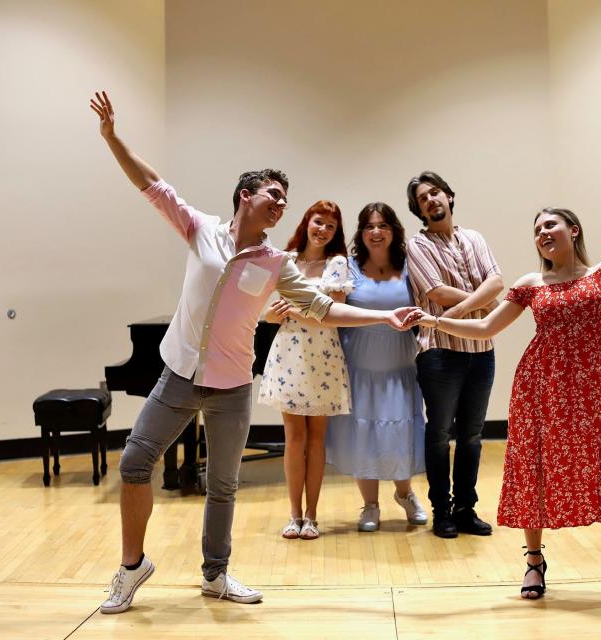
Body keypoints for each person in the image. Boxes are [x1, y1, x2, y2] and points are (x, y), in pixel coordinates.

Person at [89, 91, 419, 612]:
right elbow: (152, 185)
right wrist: (112, 138)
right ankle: (132, 568)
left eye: (286, 197)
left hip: (232, 385)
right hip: (177, 373)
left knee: (223, 485)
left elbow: (319, 308)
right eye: (273, 193)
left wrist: (382, 316)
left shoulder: (276, 263)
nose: (282, 202)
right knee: (134, 461)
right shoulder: (200, 230)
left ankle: (216, 575)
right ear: (245, 195)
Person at [409, 150, 601, 601]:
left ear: (573, 230)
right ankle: (534, 562)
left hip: (589, 392)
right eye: (536, 231)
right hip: (539, 388)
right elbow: (487, 327)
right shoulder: (532, 283)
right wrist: (434, 322)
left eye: (550, 225)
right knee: (533, 472)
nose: (542, 234)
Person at [405, 172, 503, 538]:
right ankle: (441, 510)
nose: (431, 200)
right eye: (422, 198)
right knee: (440, 433)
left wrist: (479, 300)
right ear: (418, 209)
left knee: (472, 435)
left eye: (435, 192)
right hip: (439, 352)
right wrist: (484, 302)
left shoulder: (474, 237)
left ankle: (466, 508)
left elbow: (497, 282)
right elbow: (436, 291)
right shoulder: (417, 245)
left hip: (481, 349)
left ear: (449, 195)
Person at [325, 203, 428, 532]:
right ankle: (370, 505)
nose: (376, 232)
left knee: (400, 430)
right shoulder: (348, 269)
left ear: (394, 230)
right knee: (364, 433)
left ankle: (405, 494)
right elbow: (333, 313)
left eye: (383, 225)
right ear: (361, 232)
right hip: (359, 365)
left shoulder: (410, 268)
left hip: (399, 365)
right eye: (369, 226)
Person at [258, 200, 353, 541]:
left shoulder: (337, 263)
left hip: (324, 355)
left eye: (330, 225)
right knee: (293, 438)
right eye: (318, 222)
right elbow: (266, 310)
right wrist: (272, 316)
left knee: (317, 438)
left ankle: (312, 516)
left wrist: (294, 313)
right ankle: (293, 515)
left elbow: (336, 310)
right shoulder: (285, 261)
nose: (323, 230)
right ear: (306, 222)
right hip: (290, 354)